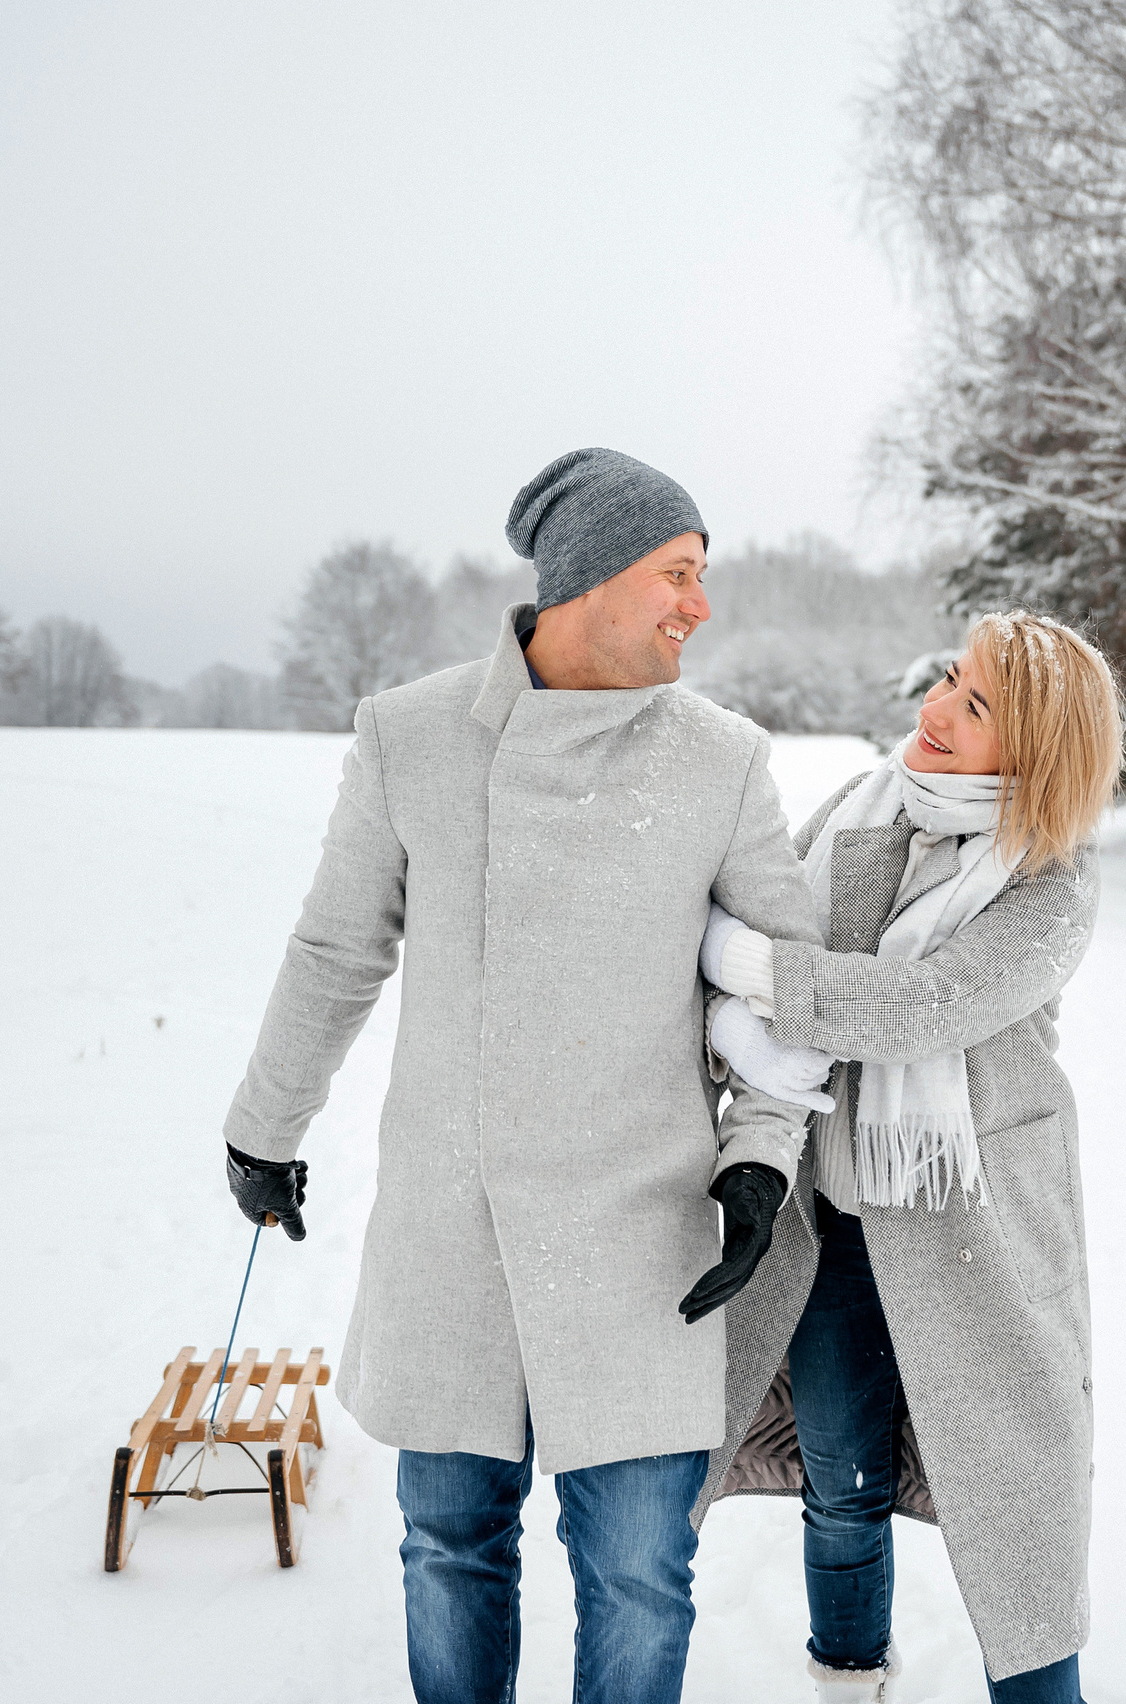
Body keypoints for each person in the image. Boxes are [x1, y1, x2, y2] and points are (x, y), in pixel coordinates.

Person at [220, 447, 827, 1704]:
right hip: (456, 1233)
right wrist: (264, 1126)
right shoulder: (413, 737)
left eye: (699, 577)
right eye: (677, 573)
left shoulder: (720, 759)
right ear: (588, 578)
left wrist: (760, 1161)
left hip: (645, 1238)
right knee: (449, 1549)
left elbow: (785, 990)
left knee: (640, 1575)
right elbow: (338, 947)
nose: (697, 607)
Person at [690, 612, 1124, 1704]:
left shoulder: (1050, 883)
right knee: (839, 1479)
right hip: (834, 1222)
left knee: (1017, 1511)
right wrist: (736, 990)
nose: (933, 710)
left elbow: (922, 1007)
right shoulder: (858, 810)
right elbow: (766, 909)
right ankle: (847, 1681)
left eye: (975, 705)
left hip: (977, 1237)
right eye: (948, 679)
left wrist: (749, 967)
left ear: (1031, 751)